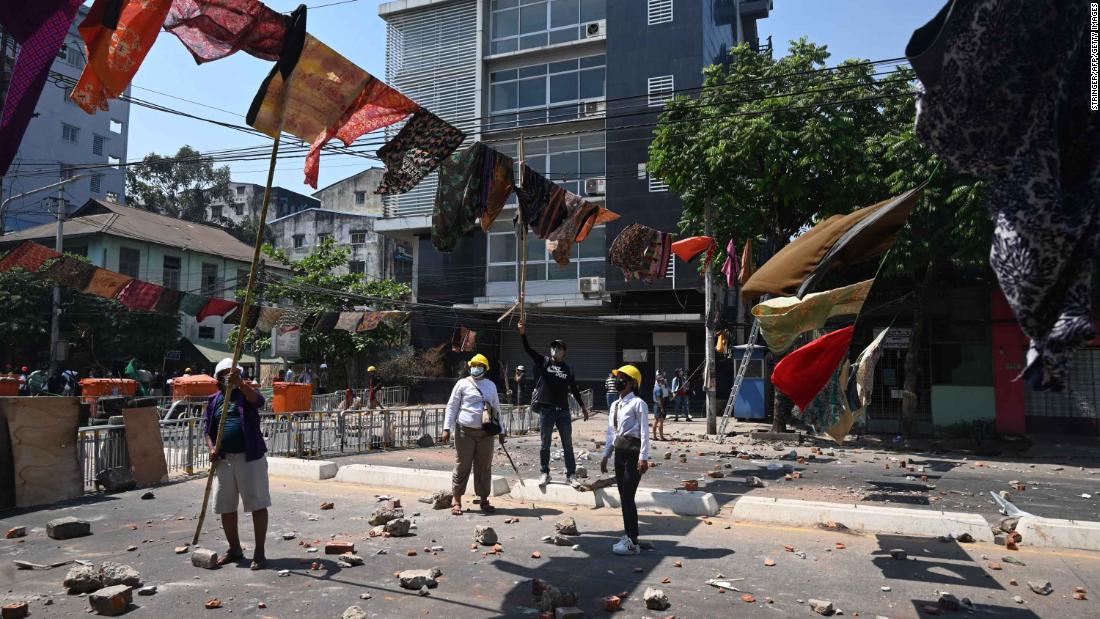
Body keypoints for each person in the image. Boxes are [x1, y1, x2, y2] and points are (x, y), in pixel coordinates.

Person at [203, 358, 270, 570]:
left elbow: (259, 402)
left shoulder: (245, 393)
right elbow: (208, 430)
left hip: (249, 458)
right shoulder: (214, 400)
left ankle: (259, 552)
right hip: (224, 460)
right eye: (224, 373)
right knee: (225, 506)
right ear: (218, 378)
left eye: (232, 373)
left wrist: (240, 384)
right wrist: (212, 448)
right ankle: (234, 549)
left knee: (257, 503)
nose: (228, 376)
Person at [519, 322, 590, 487]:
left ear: (564, 351)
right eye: (553, 347)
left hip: (563, 411)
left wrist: (583, 407)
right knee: (545, 444)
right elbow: (528, 350)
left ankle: (571, 475)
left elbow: (574, 389)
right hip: (547, 409)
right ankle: (545, 473)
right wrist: (522, 333)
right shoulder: (544, 362)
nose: (555, 349)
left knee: (567, 445)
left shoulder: (567, 369)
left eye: (558, 347)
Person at [441, 354, 505, 515]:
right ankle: (457, 500)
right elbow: (452, 406)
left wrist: (502, 431)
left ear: (485, 368)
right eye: (473, 365)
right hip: (464, 431)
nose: (475, 367)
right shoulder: (462, 384)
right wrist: (446, 428)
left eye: (479, 365)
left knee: (484, 467)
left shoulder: (490, 385)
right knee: (463, 465)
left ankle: (484, 500)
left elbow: (496, 408)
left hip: (486, 433)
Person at [600, 364, 651, 555]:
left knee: (628, 496)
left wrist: (643, 457)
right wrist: (606, 455)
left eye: (622, 377)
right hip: (620, 453)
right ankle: (629, 536)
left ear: (632, 383)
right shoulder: (615, 404)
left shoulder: (639, 403)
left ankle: (633, 541)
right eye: (617, 377)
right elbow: (611, 433)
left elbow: (645, 433)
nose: (618, 380)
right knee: (624, 497)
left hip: (633, 454)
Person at [652, 370, 668, 441]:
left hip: (656, 405)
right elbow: (659, 400)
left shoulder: (656, 388)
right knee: (660, 421)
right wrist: (662, 408)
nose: (663, 381)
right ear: (658, 381)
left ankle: (655, 436)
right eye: (661, 380)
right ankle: (661, 437)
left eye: (663, 380)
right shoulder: (658, 389)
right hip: (659, 406)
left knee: (656, 421)